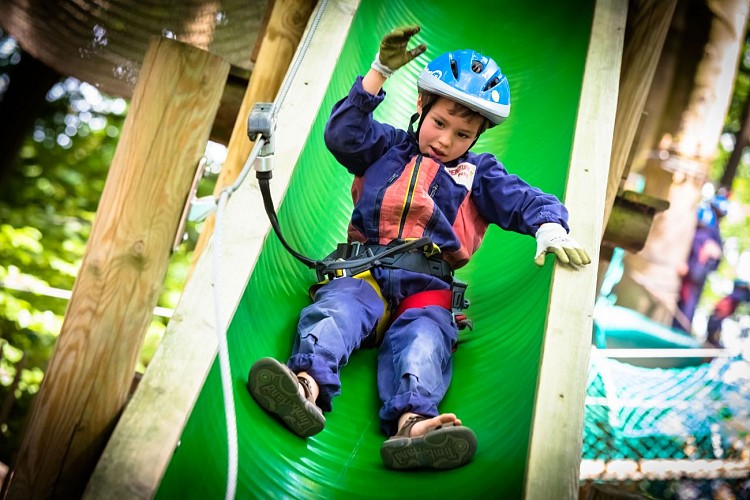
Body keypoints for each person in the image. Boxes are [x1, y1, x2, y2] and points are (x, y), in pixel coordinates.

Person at [246, 25, 590, 470]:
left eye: (463, 135)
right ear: (421, 106)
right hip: (365, 275)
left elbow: (526, 200)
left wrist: (550, 227)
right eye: (440, 123)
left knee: (425, 341)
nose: (446, 140)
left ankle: (413, 424)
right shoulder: (388, 146)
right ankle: (305, 385)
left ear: (477, 137)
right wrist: (379, 72)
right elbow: (342, 135)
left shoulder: (478, 175)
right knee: (336, 312)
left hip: (425, 291)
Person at [673, 193, 729, 332]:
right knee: (685, 303)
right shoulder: (709, 228)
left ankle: (680, 332)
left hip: (695, 274)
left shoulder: (711, 232)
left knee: (687, 305)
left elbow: (708, 254)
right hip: (692, 273)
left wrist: (691, 268)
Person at [705, 279, 750, 347]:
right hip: (716, 320)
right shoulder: (734, 296)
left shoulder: (734, 298)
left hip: (718, 320)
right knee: (713, 343)